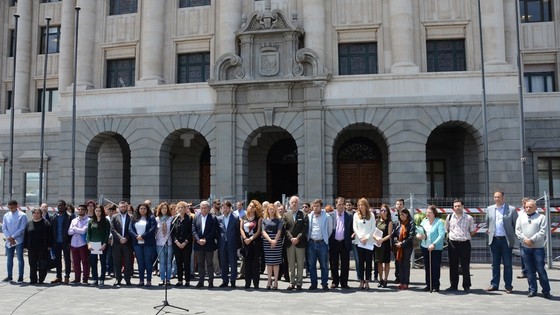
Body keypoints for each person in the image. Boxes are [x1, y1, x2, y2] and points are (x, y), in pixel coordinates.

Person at [516, 199, 552, 299]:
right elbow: (518, 230)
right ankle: (532, 290)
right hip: (525, 248)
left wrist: (531, 240)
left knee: (540, 269)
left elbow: (543, 231)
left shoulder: (541, 217)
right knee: (529, 270)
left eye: (530, 207)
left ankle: (546, 291)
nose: (528, 208)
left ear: (535, 208)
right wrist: (525, 239)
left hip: (538, 248)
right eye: (526, 207)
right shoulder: (521, 217)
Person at [484, 191, 518, 293]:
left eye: (498, 197)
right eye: (495, 197)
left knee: (507, 264)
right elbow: (487, 223)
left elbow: (516, 224)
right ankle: (494, 284)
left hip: (506, 240)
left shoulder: (511, 209)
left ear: (503, 198)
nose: (496, 199)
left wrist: (513, 236)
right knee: (495, 264)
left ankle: (508, 285)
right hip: (494, 240)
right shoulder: (489, 209)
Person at [445, 199, 476, 292]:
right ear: (453, 208)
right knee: (453, 265)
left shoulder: (469, 218)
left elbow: (472, 231)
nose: (457, 208)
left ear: (463, 207)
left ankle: (466, 286)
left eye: (459, 206)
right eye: (455, 206)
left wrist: (465, 237)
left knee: (465, 265)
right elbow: (447, 229)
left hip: (464, 243)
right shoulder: (449, 217)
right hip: (453, 243)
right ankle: (453, 285)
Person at [417, 205, 445, 292]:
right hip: (425, 247)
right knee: (427, 267)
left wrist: (434, 244)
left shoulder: (439, 222)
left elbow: (441, 235)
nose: (428, 214)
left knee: (435, 267)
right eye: (427, 212)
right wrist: (419, 236)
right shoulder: (424, 221)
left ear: (434, 213)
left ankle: (436, 285)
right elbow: (418, 231)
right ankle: (428, 285)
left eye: (430, 213)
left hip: (435, 248)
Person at [306, 199, 333, 291]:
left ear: (321, 206)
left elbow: (330, 230)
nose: (315, 208)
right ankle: (313, 284)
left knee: (324, 265)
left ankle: (324, 283)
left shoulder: (327, 216)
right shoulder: (309, 216)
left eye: (317, 206)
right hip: (312, 243)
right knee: (312, 265)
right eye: (314, 206)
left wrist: (324, 238)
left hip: (322, 243)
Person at [130, 203, 157, 287]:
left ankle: (148, 280)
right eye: (141, 209)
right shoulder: (134, 218)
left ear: (147, 209)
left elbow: (153, 228)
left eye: (144, 209)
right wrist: (136, 236)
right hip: (137, 243)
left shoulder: (151, 218)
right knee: (140, 262)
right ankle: (141, 280)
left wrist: (143, 236)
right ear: (138, 210)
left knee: (148, 262)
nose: (142, 210)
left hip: (148, 243)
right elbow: (130, 229)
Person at [284, 196, 308, 291]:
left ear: (298, 204)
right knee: (291, 264)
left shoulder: (304, 215)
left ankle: (299, 282)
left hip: (300, 242)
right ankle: (292, 282)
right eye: (292, 202)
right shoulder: (286, 215)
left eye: (296, 202)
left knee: (300, 264)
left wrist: (297, 238)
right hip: (290, 243)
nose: (294, 204)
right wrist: (291, 238)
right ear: (290, 204)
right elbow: (284, 229)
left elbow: (304, 229)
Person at [23, 207, 52, 284]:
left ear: (41, 214)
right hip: (32, 247)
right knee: (32, 264)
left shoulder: (46, 223)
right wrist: (25, 246)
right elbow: (26, 235)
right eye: (34, 213)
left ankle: (41, 279)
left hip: (43, 247)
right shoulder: (29, 223)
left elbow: (50, 235)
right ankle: (33, 279)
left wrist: (49, 245)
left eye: (38, 213)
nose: (36, 214)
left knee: (42, 264)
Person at [329, 197, 353, 289]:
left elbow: (351, 229)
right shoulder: (331, 215)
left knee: (345, 264)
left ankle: (344, 282)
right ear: (336, 205)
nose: (341, 206)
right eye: (339, 204)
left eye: (343, 204)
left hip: (344, 242)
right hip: (334, 242)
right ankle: (335, 281)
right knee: (333, 263)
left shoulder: (349, 216)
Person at [193, 200, 218, 288]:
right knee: (200, 264)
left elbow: (213, 231)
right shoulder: (196, 217)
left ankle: (210, 281)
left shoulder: (213, 218)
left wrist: (205, 239)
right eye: (202, 208)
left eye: (205, 208)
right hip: (198, 244)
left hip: (209, 244)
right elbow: (194, 230)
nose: (203, 209)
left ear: (209, 208)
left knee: (209, 263)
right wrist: (198, 239)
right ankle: (201, 281)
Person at [217, 201, 241, 288]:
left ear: (230, 208)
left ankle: (233, 280)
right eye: (223, 207)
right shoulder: (219, 218)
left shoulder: (235, 218)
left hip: (232, 243)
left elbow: (238, 232)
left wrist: (239, 245)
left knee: (233, 262)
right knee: (223, 263)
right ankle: (225, 280)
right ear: (221, 208)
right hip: (222, 244)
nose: (225, 209)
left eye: (227, 207)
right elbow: (217, 232)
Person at [2, 200, 27, 283]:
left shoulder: (22, 215)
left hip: (18, 240)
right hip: (9, 240)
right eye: (9, 208)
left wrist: (13, 236)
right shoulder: (6, 215)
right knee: (9, 258)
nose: (11, 209)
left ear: (17, 206)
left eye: (12, 207)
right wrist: (8, 237)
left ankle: (21, 276)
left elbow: (22, 228)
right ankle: (9, 276)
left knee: (20, 258)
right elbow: (4, 227)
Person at [353, 198, 376, 289]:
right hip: (359, 242)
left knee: (369, 262)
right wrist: (360, 237)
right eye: (359, 205)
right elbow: (355, 227)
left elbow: (373, 228)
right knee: (360, 262)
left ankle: (367, 280)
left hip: (369, 242)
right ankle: (361, 280)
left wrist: (367, 238)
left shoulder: (372, 215)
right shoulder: (356, 215)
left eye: (362, 205)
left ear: (366, 205)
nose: (360, 206)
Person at [50, 200, 74, 284]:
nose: (60, 207)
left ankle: (67, 276)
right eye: (59, 205)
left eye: (62, 205)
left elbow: (72, 230)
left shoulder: (70, 217)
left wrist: (70, 241)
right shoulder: (53, 217)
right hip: (56, 241)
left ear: (65, 206)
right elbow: (51, 230)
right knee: (57, 260)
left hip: (66, 241)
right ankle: (58, 276)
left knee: (67, 259)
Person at [240, 200, 262, 289]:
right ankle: (247, 282)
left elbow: (258, 231)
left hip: (255, 243)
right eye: (250, 206)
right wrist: (245, 238)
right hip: (246, 243)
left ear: (256, 209)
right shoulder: (243, 217)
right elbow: (241, 229)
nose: (251, 208)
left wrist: (251, 238)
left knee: (255, 264)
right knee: (247, 263)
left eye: (253, 207)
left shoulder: (258, 218)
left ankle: (256, 283)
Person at [110, 201, 133, 286]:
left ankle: (127, 279)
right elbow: (112, 229)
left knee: (127, 262)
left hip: (127, 243)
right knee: (117, 262)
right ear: (118, 208)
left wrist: (126, 238)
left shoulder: (131, 217)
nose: (123, 208)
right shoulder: (114, 217)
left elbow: (131, 230)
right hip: (117, 243)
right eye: (121, 207)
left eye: (124, 207)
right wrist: (120, 238)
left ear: (127, 207)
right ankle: (118, 279)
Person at [261, 203, 284, 290]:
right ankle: (269, 280)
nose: (272, 210)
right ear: (267, 210)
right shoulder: (264, 220)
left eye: (273, 209)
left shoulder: (279, 220)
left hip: (277, 242)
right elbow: (263, 232)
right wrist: (270, 241)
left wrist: (275, 241)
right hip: (267, 243)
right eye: (270, 209)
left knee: (276, 262)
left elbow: (279, 231)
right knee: (269, 263)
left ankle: (276, 281)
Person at [87, 205, 111, 286]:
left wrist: (104, 244)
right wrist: (89, 244)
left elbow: (107, 234)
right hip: (93, 245)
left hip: (102, 245)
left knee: (103, 262)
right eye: (96, 211)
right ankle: (95, 279)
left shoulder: (106, 221)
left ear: (102, 212)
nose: (98, 212)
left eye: (99, 211)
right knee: (93, 263)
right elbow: (88, 234)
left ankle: (102, 279)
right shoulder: (91, 221)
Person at [393, 208, 415, 290]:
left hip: (407, 247)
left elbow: (411, 236)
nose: (402, 216)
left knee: (406, 264)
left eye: (403, 214)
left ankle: (406, 283)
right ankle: (401, 282)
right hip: (399, 247)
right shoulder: (398, 223)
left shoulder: (411, 223)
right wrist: (397, 241)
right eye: (400, 215)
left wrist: (402, 243)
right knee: (400, 264)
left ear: (407, 214)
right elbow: (394, 234)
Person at [172, 201, 194, 287]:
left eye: (182, 207)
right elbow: (172, 232)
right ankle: (180, 280)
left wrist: (185, 242)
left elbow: (191, 232)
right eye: (179, 208)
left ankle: (187, 281)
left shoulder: (189, 219)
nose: (180, 209)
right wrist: (176, 241)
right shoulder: (175, 219)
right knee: (178, 262)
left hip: (186, 244)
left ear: (186, 209)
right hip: (177, 244)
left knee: (187, 262)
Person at [68, 205, 90, 284]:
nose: (80, 210)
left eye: (82, 209)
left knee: (85, 261)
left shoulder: (88, 220)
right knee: (75, 262)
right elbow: (69, 232)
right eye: (79, 209)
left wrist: (74, 228)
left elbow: (83, 231)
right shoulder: (74, 220)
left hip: (83, 243)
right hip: (74, 243)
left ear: (85, 211)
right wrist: (77, 229)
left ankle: (85, 278)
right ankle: (77, 278)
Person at [374, 204, 393, 288]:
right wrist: (376, 238)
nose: (383, 212)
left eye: (385, 210)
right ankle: (380, 279)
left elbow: (389, 235)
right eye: (381, 210)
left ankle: (385, 279)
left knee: (386, 262)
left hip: (385, 244)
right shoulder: (377, 221)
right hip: (378, 244)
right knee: (379, 262)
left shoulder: (389, 222)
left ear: (387, 212)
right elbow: (373, 232)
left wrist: (382, 240)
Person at [155, 202, 173, 286]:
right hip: (159, 243)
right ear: (160, 209)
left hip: (169, 242)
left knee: (168, 262)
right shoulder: (157, 219)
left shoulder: (171, 218)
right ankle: (162, 279)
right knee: (161, 262)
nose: (164, 210)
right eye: (162, 208)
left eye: (165, 208)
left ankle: (168, 279)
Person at [392, 198, 405, 283]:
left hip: (404, 241)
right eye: (397, 204)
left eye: (400, 204)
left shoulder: (406, 214)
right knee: (397, 260)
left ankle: (404, 277)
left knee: (404, 260)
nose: (399, 206)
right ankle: (397, 276)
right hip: (395, 240)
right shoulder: (393, 215)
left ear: (403, 205)